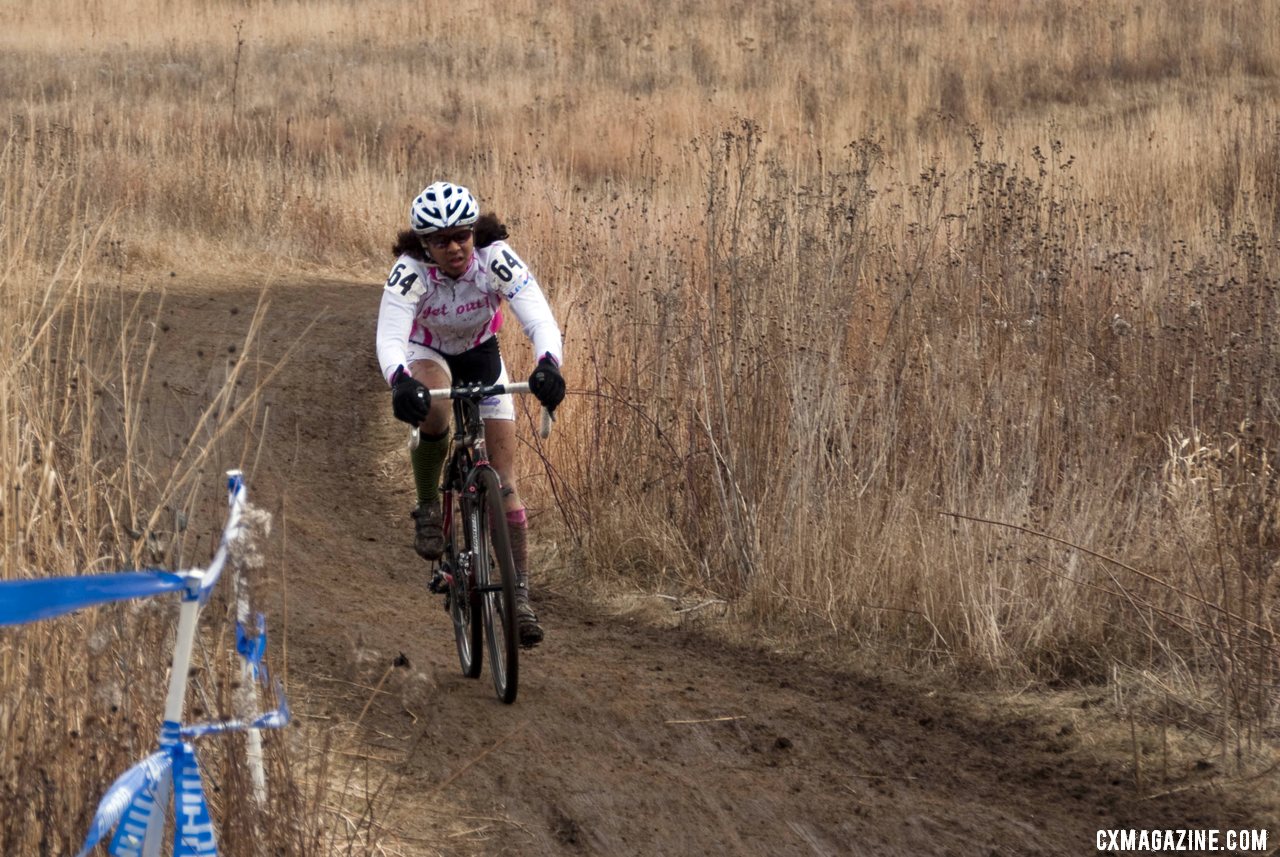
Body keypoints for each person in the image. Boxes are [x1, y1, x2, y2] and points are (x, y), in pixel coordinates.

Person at [376, 181, 565, 647]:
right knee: (436, 403)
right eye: (441, 241)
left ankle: (519, 598)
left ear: (473, 232)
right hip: (428, 352)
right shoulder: (410, 272)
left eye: (461, 235)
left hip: (481, 351)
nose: (454, 247)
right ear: (425, 245)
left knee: (505, 484)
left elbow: (539, 318)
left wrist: (548, 364)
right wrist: (401, 381)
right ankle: (426, 505)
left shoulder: (495, 258)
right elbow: (390, 337)